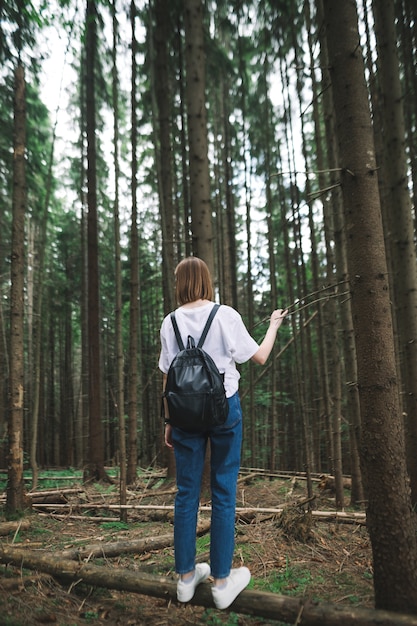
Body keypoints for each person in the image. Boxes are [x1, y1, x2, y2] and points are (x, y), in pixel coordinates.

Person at [159, 256, 287, 610]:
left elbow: (168, 376)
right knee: (223, 492)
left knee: (186, 493)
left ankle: (185, 578)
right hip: (223, 410)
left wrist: (169, 421)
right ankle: (221, 582)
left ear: (179, 283)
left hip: (184, 415)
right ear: (206, 280)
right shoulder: (225, 315)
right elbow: (258, 356)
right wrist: (274, 325)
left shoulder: (169, 322)